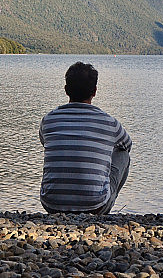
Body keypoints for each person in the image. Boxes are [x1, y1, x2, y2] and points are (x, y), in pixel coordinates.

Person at [39, 62, 132, 214]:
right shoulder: (110, 123)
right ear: (94, 91)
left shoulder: (49, 119)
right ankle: (103, 203)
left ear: (66, 90)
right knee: (122, 154)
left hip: (51, 204)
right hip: (95, 206)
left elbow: (45, 142)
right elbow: (127, 145)